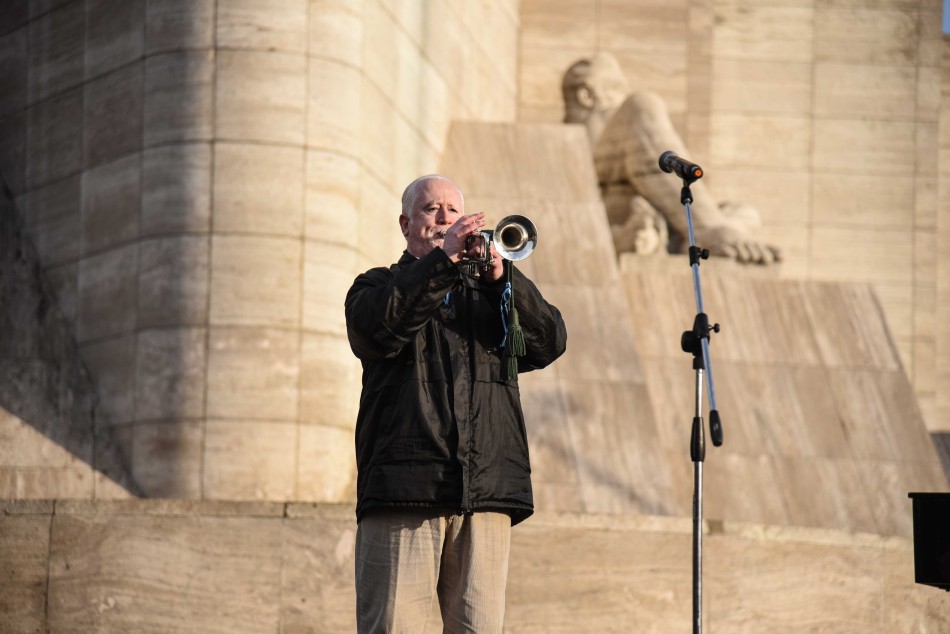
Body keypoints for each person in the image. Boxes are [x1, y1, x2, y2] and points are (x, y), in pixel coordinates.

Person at [344, 174, 567, 632]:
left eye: (453, 210)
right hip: (405, 491)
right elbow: (380, 330)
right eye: (432, 209)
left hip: (485, 491)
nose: (445, 218)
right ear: (405, 224)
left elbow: (548, 343)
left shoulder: (489, 296)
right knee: (396, 625)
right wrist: (444, 262)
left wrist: (502, 278)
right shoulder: (375, 286)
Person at [562, 52, 780, 264]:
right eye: (616, 88)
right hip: (608, 210)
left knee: (743, 212)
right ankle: (703, 229)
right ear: (586, 95)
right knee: (642, 104)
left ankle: (689, 234)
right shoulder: (579, 139)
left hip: (649, 213)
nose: (622, 96)